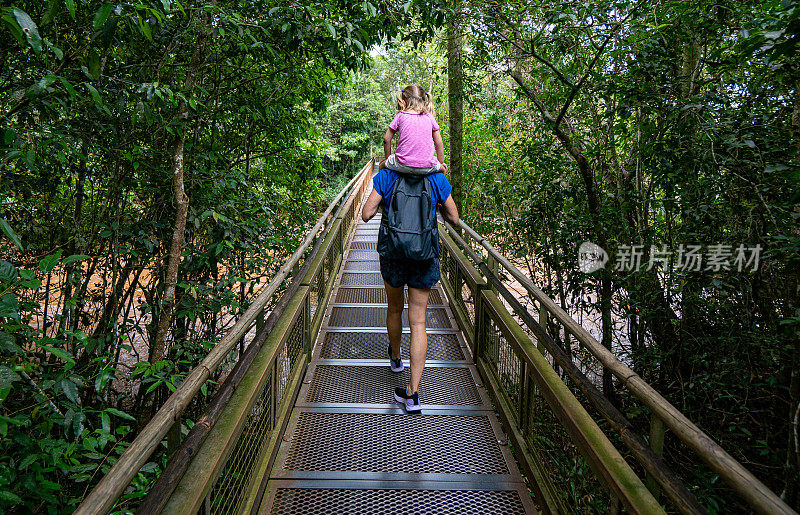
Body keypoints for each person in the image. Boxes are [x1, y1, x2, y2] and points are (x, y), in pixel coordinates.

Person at [361, 84, 460, 413]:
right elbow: (455, 218)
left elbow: (364, 214)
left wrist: (382, 186)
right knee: (419, 322)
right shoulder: (435, 178)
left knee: (394, 310)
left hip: (393, 254)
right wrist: (441, 183)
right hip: (424, 254)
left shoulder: (387, 174)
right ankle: (413, 395)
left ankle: (394, 357)